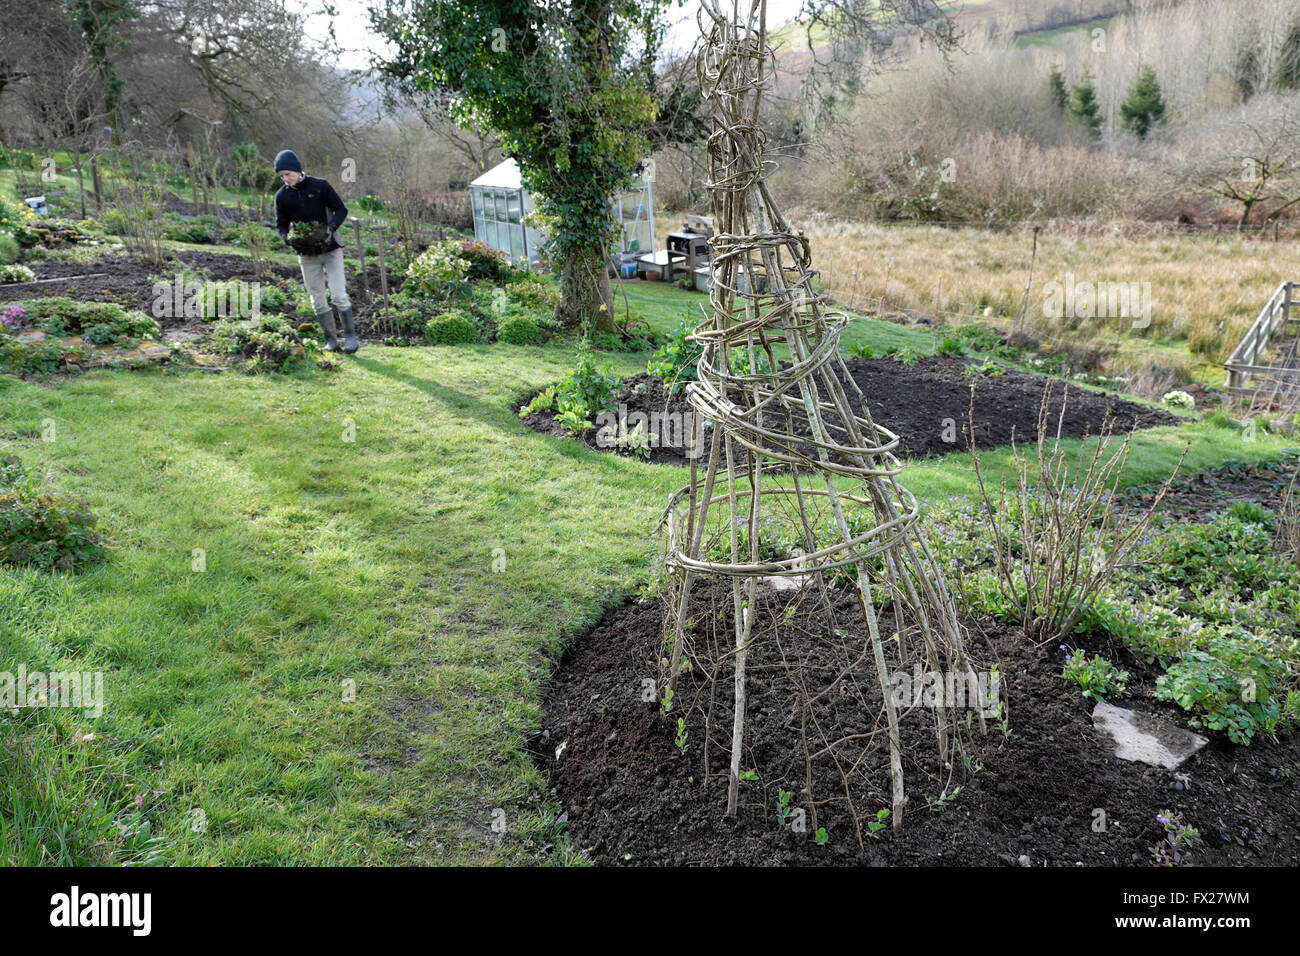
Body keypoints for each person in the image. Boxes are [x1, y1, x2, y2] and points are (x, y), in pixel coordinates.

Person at [273, 149, 358, 353]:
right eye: (281, 176)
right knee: (318, 301)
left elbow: (341, 210)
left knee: (338, 296)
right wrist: (288, 238)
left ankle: (350, 337)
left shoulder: (320, 186)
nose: (285, 179)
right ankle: (331, 340)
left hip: (330, 250)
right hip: (307, 255)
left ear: (297, 170)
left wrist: (330, 228)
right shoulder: (281, 196)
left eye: (288, 174)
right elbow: (281, 225)